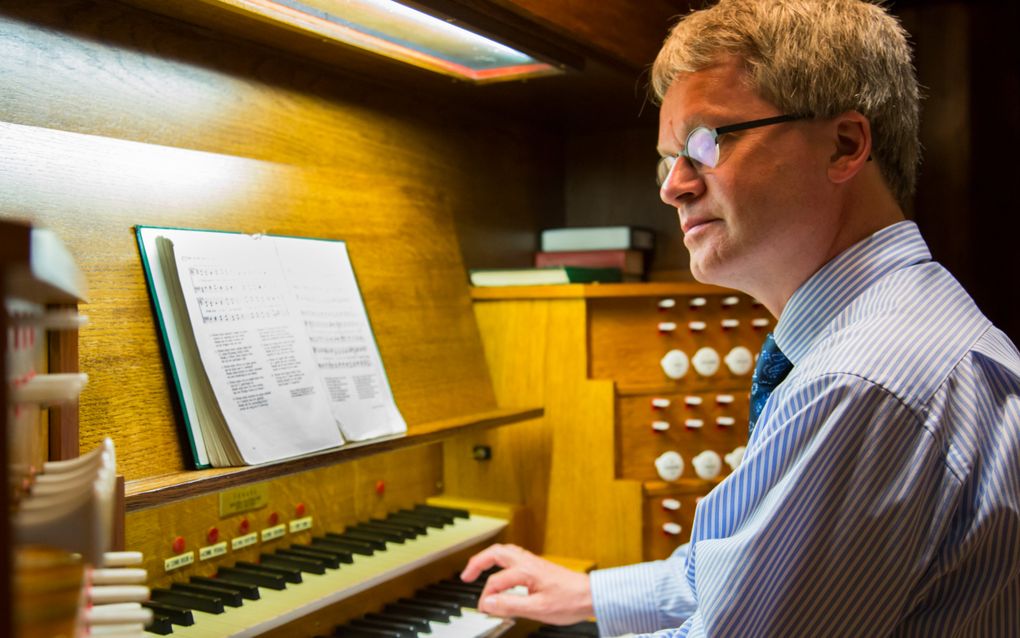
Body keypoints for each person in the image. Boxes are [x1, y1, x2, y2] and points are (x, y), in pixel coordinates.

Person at [460, 0, 1020, 635]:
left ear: (844, 145)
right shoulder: (886, 324)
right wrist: (588, 593)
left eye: (705, 142)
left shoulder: (861, 382)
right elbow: (743, 572)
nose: (675, 185)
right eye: (667, 157)